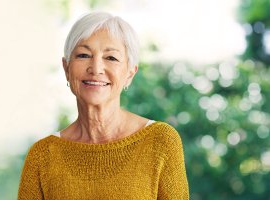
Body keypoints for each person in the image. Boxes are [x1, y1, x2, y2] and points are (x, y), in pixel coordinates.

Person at [18, 11, 189, 199]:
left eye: (111, 58)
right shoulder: (42, 156)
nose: (96, 68)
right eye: (83, 55)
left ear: (130, 73)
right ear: (67, 68)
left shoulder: (161, 141)